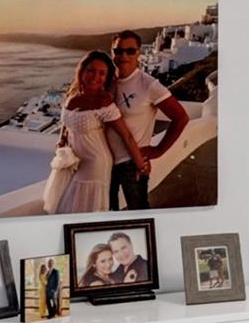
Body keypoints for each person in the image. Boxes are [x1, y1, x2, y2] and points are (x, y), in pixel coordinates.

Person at [48, 50, 151, 214]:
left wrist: (141, 166)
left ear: (107, 78)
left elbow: (126, 135)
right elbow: (67, 122)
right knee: (72, 205)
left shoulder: (104, 103)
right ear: (82, 71)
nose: (95, 77)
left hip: (95, 163)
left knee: (84, 209)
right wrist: (62, 139)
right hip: (75, 161)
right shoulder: (73, 95)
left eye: (102, 73)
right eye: (91, 70)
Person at [105, 31, 189, 211]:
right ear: (112, 52)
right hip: (104, 161)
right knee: (108, 212)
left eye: (130, 51)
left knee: (138, 211)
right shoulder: (107, 81)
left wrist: (158, 150)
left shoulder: (148, 84)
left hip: (132, 163)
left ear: (139, 53)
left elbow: (181, 117)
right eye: (118, 51)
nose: (123, 56)